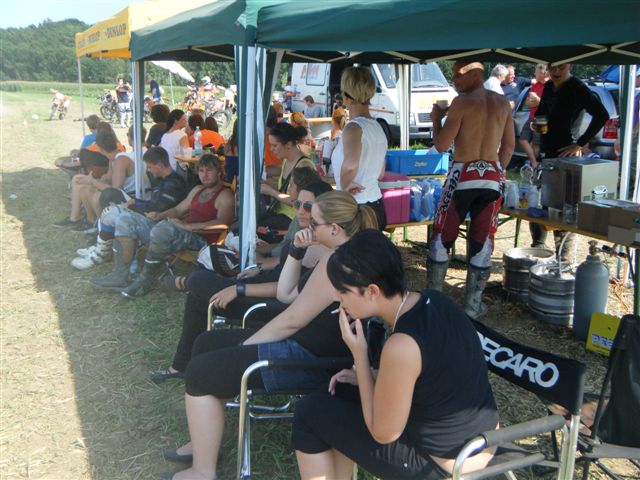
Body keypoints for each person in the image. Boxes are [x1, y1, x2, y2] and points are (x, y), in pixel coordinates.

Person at [158, 191, 378, 480]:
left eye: (315, 223)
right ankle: (203, 445)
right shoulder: (337, 254)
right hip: (307, 348)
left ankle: (202, 472)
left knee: (200, 372)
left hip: (313, 362)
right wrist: (296, 251)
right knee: (205, 343)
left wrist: (246, 345)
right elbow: (287, 294)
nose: (308, 226)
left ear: (335, 229)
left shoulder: (338, 264)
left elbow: (291, 321)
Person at [294, 229, 499, 480]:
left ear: (372, 291)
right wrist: (369, 376)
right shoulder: (435, 300)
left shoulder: (401, 345)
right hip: (483, 441)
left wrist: (360, 356)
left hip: (445, 467)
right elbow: (432, 376)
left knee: (309, 413)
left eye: (343, 291)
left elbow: (382, 433)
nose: (336, 297)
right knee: (340, 392)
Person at [150, 180, 333, 383]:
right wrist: (261, 267)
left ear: (324, 209)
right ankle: (181, 365)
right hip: (260, 286)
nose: (300, 211)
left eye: (308, 206)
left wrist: (240, 289)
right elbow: (284, 265)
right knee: (197, 296)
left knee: (199, 280)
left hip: (269, 305)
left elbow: (289, 289)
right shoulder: (306, 237)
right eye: (297, 204)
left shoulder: (325, 250)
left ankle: (184, 283)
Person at [427, 61, 515, 318]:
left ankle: (433, 299)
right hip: (492, 175)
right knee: (483, 237)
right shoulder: (502, 103)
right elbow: (509, 147)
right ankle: (473, 305)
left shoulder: (462, 103)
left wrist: (436, 120)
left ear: (476, 75)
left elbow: (441, 145)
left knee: (443, 234)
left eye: (459, 75)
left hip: (462, 172)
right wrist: (496, 170)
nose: (454, 80)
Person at [90, 155, 234, 298]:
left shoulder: (225, 195)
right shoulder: (198, 190)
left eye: (209, 170)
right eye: (201, 171)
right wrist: (160, 215)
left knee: (163, 229)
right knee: (125, 220)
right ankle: (120, 275)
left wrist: (187, 226)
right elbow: (177, 210)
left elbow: (222, 223)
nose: (205, 175)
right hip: (178, 231)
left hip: (201, 239)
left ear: (219, 171)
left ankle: (146, 280)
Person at [529, 63, 609, 261]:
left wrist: (579, 143)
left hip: (567, 154)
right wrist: (538, 127)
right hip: (547, 152)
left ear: (570, 66)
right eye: (552, 68)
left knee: (563, 207)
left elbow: (602, 115)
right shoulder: (549, 86)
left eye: (561, 68)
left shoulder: (578, 88)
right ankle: (538, 248)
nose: (556, 72)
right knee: (541, 201)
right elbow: (542, 113)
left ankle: (563, 257)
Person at [71, 147, 188, 271]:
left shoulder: (173, 183)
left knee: (111, 211)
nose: (148, 170)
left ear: (159, 165)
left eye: (149, 167)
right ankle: (102, 248)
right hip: (152, 216)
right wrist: (135, 202)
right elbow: (155, 204)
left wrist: (135, 205)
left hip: (159, 224)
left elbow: (160, 208)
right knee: (111, 199)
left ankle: (102, 253)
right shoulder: (162, 179)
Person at [53, 123, 146, 230]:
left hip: (133, 197)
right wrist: (91, 180)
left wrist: (93, 181)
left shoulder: (120, 160)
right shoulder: (114, 158)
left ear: (100, 148)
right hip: (125, 193)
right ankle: (85, 221)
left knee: (94, 195)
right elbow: (107, 178)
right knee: (83, 187)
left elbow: (114, 191)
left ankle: (100, 227)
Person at [331, 66, 388, 229]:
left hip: (356, 209)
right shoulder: (377, 127)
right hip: (375, 205)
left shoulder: (353, 128)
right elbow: (380, 173)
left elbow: (351, 165)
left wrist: (344, 187)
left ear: (346, 96)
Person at [260, 122, 316, 233]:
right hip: (281, 214)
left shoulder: (304, 166)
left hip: (294, 220)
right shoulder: (287, 160)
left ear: (289, 145)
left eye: (275, 145)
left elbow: (299, 202)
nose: (271, 149)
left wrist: (270, 191)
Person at [518, 64, 549, 167]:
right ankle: (534, 163)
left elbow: (549, 105)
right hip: (531, 116)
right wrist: (537, 102)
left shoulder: (550, 85)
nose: (535, 73)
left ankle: (533, 165)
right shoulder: (535, 85)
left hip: (542, 118)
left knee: (536, 143)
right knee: (523, 139)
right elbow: (528, 103)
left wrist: (537, 100)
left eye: (536, 71)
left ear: (542, 73)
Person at [160, 109, 190, 176]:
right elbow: (187, 154)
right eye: (184, 119)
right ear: (176, 121)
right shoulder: (182, 135)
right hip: (180, 170)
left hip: (167, 170)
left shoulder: (164, 136)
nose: (186, 121)